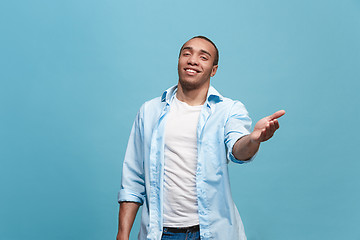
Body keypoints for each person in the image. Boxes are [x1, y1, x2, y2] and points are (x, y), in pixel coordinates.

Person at [116, 36, 285, 240]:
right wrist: (122, 234)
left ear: (213, 70)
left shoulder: (228, 110)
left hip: (210, 233)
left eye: (203, 57)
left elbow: (238, 150)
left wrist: (254, 139)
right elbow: (133, 179)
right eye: (187, 53)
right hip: (159, 234)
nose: (193, 60)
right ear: (179, 60)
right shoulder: (149, 111)